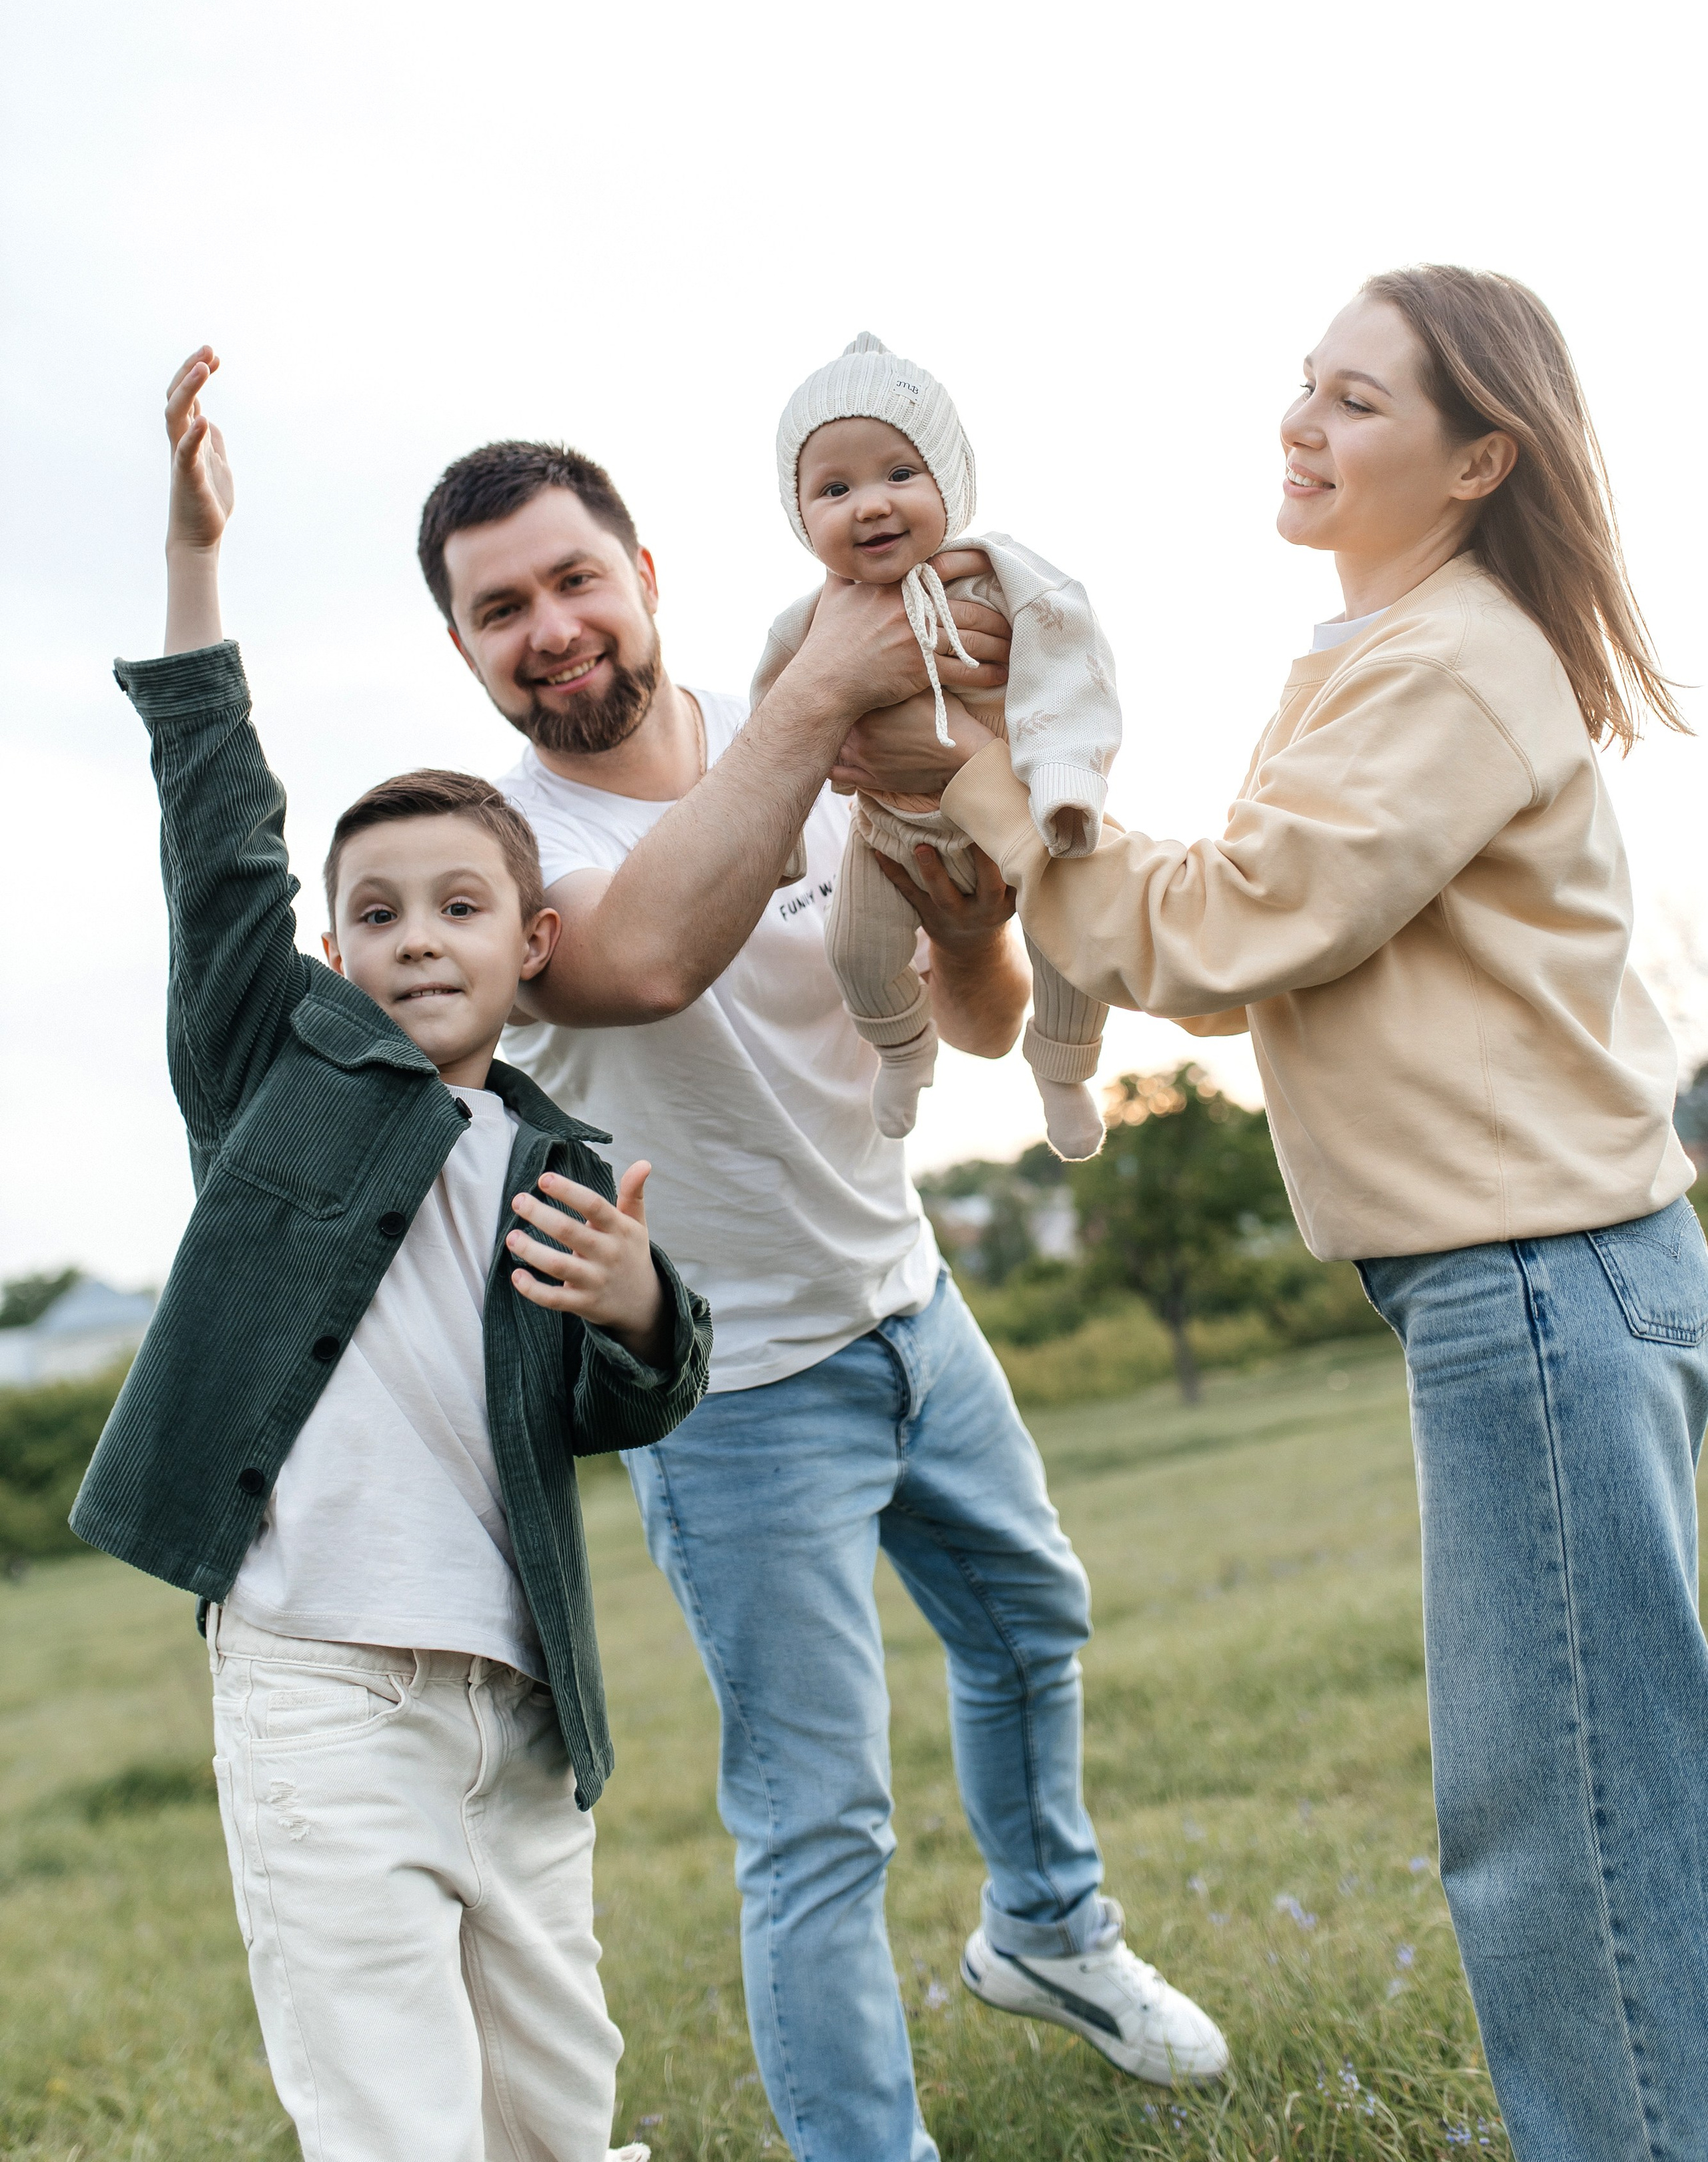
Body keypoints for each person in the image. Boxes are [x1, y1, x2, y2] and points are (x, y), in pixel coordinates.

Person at [835, 265, 1708, 2161]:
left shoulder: (1456, 664)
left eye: (1360, 402)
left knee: (1568, 1822)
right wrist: (1019, 827)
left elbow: (1232, 924)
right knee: (1575, 1801)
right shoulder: (1384, 657)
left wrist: (981, 782)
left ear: (1484, 458)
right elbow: (1241, 969)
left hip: (1540, 1282)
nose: (1302, 423)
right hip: (1523, 1285)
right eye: (1303, 385)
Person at [414, 428, 1229, 2162]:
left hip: (910, 1299)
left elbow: (986, 1021)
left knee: (1033, 1625)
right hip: (734, 1396)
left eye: (573, 578)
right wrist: (827, 695)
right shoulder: (504, 861)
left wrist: (968, 917)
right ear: (466, 648)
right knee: (818, 1823)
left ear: (644, 578)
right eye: (500, 609)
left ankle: (1051, 1936)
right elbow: (642, 957)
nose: (549, 626)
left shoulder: (809, 720)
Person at [73, 350, 712, 2162]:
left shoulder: (565, 1156)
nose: (415, 938)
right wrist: (198, 568)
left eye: (458, 908)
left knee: (557, 2112)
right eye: (373, 912)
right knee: (394, 2121)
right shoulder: (277, 1081)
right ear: (333, 951)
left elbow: (633, 1391)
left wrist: (644, 1306)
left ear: (535, 941)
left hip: (518, 1704)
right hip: (320, 1681)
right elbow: (215, 845)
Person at [753, 332, 1118, 1159]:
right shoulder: (810, 621)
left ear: (950, 482)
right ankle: (903, 1052)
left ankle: (1062, 1068)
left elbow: (1071, 664)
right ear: (800, 513)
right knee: (853, 949)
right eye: (834, 488)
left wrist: (1064, 776)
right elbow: (773, 724)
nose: (870, 504)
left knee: (1074, 943)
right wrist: (778, 834)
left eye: (899, 474)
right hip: (889, 827)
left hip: (1024, 816)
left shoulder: (1001, 574)